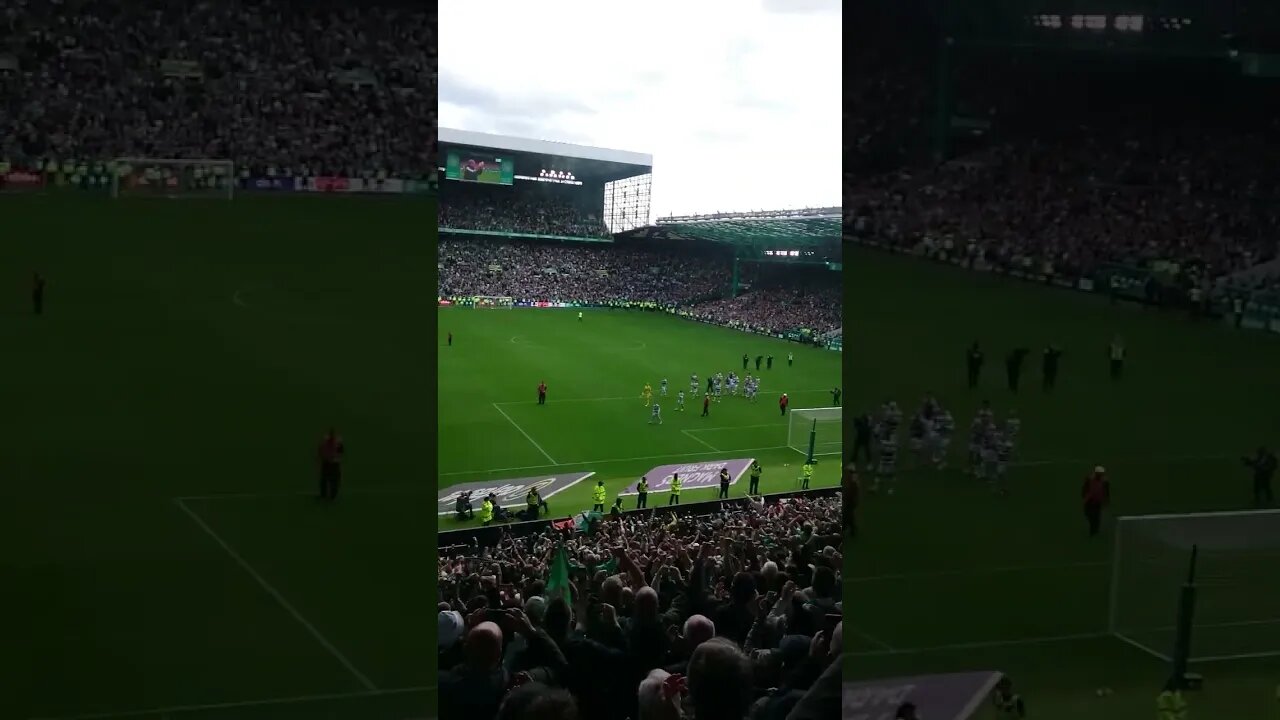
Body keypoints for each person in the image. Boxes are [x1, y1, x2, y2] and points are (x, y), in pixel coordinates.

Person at [1082, 465, 1110, 537]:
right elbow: (1085, 489)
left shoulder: (1104, 481)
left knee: (1096, 517)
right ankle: (1093, 530)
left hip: (1097, 502)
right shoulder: (1089, 479)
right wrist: (1084, 497)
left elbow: (1106, 492)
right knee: (1089, 515)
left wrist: (1106, 500)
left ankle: (1094, 532)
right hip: (1089, 501)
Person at [317, 428, 344, 501]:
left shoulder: (336, 442)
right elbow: (321, 450)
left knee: (331, 480)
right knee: (327, 479)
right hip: (329, 462)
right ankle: (325, 494)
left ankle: (330, 495)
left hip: (333, 463)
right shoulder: (329, 441)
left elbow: (340, 452)